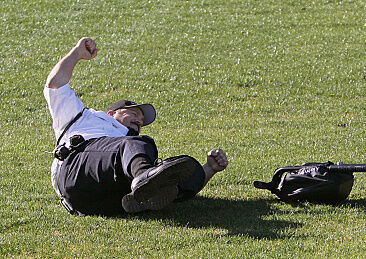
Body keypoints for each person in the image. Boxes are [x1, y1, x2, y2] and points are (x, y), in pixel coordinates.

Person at [44, 37, 228, 216]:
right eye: (134, 114)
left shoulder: (133, 148)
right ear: (111, 114)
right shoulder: (84, 117)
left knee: (184, 165)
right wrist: (77, 53)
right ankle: (144, 180)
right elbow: (55, 85)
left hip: (106, 202)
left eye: (142, 120)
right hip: (76, 173)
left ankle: (148, 191)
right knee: (135, 145)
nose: (140, 121)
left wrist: (210, 168)